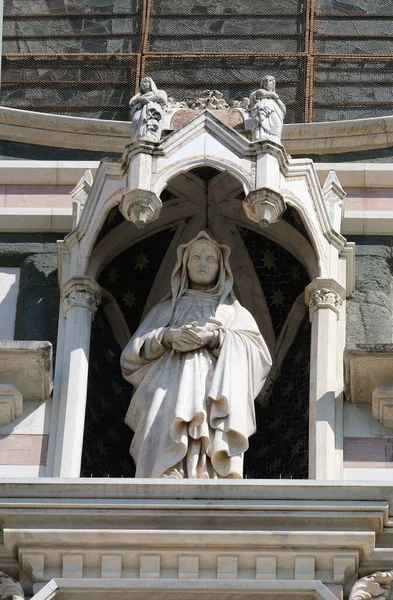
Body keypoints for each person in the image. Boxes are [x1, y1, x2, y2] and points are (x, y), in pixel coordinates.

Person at [120, 231, 272, 479]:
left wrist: (215, 338)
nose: (203, 263)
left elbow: (259, 358)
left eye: (210, 258)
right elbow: (130, 357)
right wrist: (168, 337)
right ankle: (169, 467)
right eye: (196, 258)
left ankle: (210, 469)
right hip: (169, 388)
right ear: (184, 266)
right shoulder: (166, 310)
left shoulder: (234, 312)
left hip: (211, 391)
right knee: (168, 427)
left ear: (221, 267)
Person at [249, 75, 286, 144]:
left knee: (276, 127)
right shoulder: (260, 92)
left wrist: (276, 97)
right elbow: (255, 95)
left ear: (274, 84)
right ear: (262, 84)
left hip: (274, 116)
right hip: (262, 114)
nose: (267, 82)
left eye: (270, 80)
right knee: (261, 121)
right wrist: (272, 94)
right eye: (265, 80)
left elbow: (283, 110)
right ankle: (261, 137)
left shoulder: (275, 99)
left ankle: (275, 140)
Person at [129, 76, 167, 142]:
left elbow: (162, 99)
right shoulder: (138, 96)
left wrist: (148, 99)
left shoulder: (159, 92)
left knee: (149, 122)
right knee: (135, 120)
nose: (143, 84)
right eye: (142, 83)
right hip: (139, 110)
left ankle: (150, 135)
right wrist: (140, 100)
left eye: (146, 82)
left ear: (151, 84)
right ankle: (136, 139)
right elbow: (131, 103)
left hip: (151, 112)